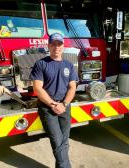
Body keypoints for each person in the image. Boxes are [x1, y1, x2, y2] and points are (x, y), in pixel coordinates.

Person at [29, 33, 78, 168]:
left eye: (59, 44)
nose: (57, 47)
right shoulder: (41, 64)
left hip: (65, 106)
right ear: (48, 46)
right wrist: (53, 104)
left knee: (64, 141)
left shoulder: (69, 65)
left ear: (63, 46)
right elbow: (38, 89)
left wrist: (64, 104)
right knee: (57, 141)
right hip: (47, 107)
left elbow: (72, 87)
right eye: (53, 44)